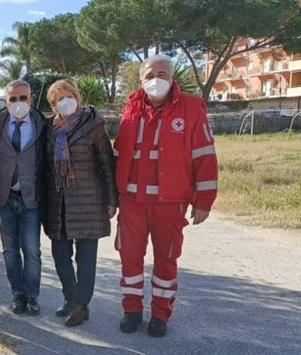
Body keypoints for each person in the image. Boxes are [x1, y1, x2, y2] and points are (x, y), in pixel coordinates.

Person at [114, 55, 218, 337]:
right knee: (129, 259)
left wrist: (203, 200)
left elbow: (205, 156)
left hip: (170, 203)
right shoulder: (131, 107)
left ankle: (160, 315)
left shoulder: (192, 108)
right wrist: (113, 197)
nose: (155, 79)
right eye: (149, 75)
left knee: (166, 260)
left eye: (162, 73)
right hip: (132, 202)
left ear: (172, 78)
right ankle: (131, 311)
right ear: (141, 80)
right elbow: (120, 154)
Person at [42, 79, 118, 327]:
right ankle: (70, 297)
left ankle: (81, 305)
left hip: (89, 200)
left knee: (86, 258)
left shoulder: (94, 125)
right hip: (58, 202)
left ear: (77, 97)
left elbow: (107, 164)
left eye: (68, 96)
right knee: (60, 255)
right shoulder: (49, 129)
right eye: (58, 99)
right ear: (53, 105)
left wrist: (111, 199)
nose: (65, 101)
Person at [0, 80, 46, 316]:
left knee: (32, 250)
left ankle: (32, 295)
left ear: (31, 100)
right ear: (6, 102)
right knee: (10, 250)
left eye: (23, 98)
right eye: (13, 99)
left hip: (31, 198)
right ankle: (18, 294)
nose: (18, 103)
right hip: (4, 198)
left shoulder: (43, 126)